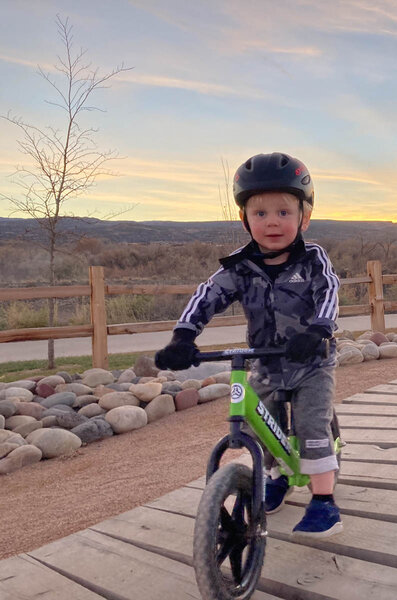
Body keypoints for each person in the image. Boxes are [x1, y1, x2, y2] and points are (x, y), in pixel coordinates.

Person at [155, 152, 342, 538]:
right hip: (266, 362)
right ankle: (275, 476)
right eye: (260, 214)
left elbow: (329, 291)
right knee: (263, 426)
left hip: (311, 361)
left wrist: (319, 330)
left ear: (303, 217)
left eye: (283, 212)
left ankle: (324, 503)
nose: (272, 221)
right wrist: (184, 336)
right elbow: (206, 296)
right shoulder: (239, 268)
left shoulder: (312, 259)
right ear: (246, 220)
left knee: (310, 426)